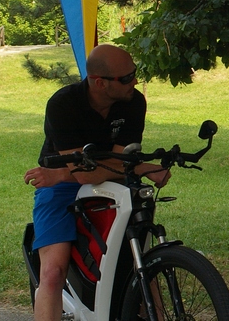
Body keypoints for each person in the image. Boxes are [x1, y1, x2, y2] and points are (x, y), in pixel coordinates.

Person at [24, 44, 170, 321]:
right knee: (53, 273)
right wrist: (144, 167)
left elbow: (118, 164)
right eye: (126, 78)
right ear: (99, 82)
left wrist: (69, 171)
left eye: (134, 74)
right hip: (59, 187)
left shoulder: (133, 101)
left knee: (141, 261)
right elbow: (84, 174)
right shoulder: (62, 104)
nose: (135, 81)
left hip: (89, 178)